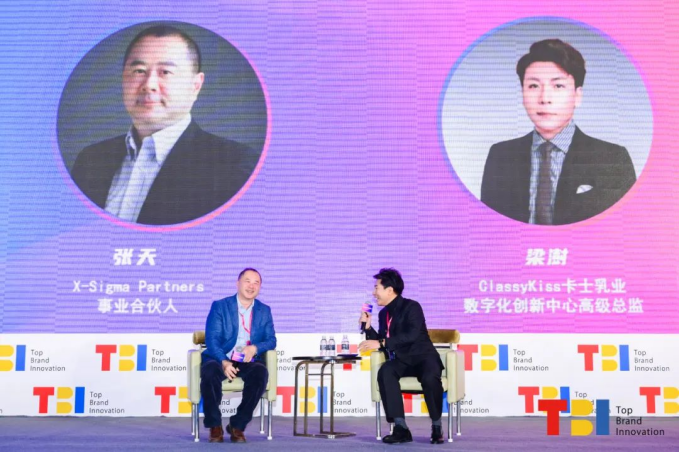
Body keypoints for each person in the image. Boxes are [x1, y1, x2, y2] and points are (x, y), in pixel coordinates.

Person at [71, 25, 258, 225]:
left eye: (165, 72)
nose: (149, 84)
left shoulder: (234, 166)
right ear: (123, 78)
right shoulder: (90, 161)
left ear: (195, 85)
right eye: (139, 71)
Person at [480, 39, 636, 225]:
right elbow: (490, 227)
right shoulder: (501, 156)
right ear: (522, 94)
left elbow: (623, 227)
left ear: (577, 96)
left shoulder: (612, 159)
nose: (545, 98)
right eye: (533, 86)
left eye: (558, 86)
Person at [358, 268, 444, 444]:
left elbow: (411, 335)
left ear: (389, 290)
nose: (374, 293)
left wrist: (382, 343)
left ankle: (437, 426)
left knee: (429, 378)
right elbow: (382, 341)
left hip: (423, 357)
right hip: (402, 360)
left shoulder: (412, 307)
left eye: (376, 288)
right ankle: (401, 428)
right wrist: (368, 327)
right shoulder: (384, 313)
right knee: (386, 371)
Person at [201, 268, 276, 443]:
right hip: (221, 356)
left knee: (260, 373)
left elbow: (271, 340)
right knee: (209, 372)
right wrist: (224, 361)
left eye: (256, 283)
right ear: (238, 283)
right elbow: (212, 339)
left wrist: (255, 348)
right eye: (247, 281)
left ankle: (237, 425)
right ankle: (215, 425)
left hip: (247, 360)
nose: (251, 286)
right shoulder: (220, 306)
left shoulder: (264, 310)